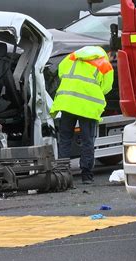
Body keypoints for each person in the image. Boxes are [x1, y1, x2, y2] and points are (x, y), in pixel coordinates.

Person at [50, 46, 114, 184]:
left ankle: (63, 174)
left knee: (65, 138)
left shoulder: (71, 57)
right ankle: (86, 175)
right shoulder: (104, 63)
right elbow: (107, 88)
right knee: (87, 140)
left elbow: (61, 72)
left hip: (67, 102)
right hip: (88, 106)